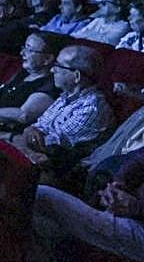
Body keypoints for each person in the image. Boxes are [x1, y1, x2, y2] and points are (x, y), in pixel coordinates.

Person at [0, 149, 144, 262]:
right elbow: (139, 160)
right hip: (130, 204)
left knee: (40, 196)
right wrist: (119, 185)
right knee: (38, 221)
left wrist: (136, 207)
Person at [13, 45, 113, 173]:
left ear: (76, 76)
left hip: (58, 170)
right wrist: (28, 134)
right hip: (35, 158)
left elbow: (51, 145)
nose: (52, 70)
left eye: (58, 65)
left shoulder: (92, 108)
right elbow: (35, 128)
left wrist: (24, 138)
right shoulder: (66, 96)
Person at [0, 31, 60, 131]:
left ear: (47, 59)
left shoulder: (50, 85)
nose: (22, 53)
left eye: (29, 50)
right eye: (24, 48)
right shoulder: (25, 72)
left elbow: (23, 115)